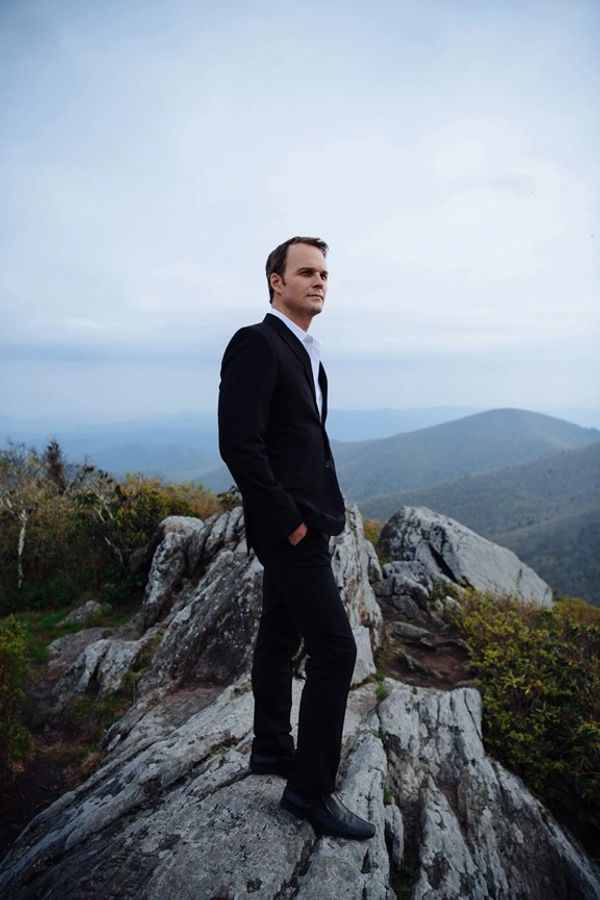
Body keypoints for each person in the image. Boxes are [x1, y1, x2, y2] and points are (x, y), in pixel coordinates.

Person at [217, 236, 375, 841]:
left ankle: (270, 748)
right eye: (306, 272)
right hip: (290, 530)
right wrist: (290, 520)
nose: (320, 282)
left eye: (325, 274)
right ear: (275, 281)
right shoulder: (256, 343)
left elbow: (301, 439)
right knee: (337, 651)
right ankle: (310, 791)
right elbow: (239, 443)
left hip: (309, 523)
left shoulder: (308, 352)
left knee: (279, 636)